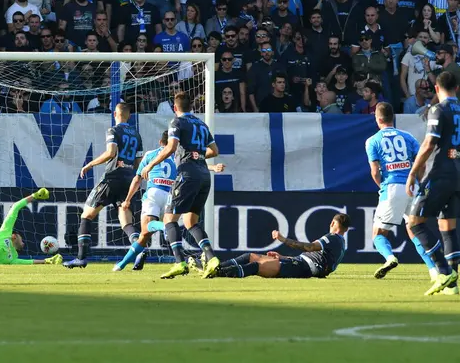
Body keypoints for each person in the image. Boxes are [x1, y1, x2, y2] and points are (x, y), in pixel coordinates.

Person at [114, 131, 225, 271]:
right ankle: (121, 264)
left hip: (154, 193)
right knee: (143, 236)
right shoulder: (177, 156)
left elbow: (137, 179)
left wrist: (128, 200)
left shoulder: (150, 155)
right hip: (170, 196)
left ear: (161, 142)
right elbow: (191, 165)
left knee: (147, 228)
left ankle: (163, 228)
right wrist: (213, 168)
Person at [140, 92, 221, 279]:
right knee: (190, 221)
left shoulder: (176, 122)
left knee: (169, 219)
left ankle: (179, 262)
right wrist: (197, 155)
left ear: (175, 108)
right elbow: (214, 151)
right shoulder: (202, 124)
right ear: (191, 107)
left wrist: (151, 164)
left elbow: (171, 147)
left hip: (187, 175)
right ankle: (212, 258)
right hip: (203, 175)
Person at [64, 103, 143, 268]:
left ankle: (81, 258)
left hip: (111, 178)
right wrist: (131, 175)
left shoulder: (113, 131)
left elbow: (111, 153)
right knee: (125, 221)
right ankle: (139, 250)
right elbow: (139, 162)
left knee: (86, 215)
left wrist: (90, 164)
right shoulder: (137, 135)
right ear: (128, 115)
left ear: (115, 114)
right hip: (128, 179)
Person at [365, 103, 438, 281]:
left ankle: (390, 258)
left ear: (377, 118)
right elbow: (422, 163)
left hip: (391, 187)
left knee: (378, 235)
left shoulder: (372, 140)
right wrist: (417, 181)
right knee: (415, 230)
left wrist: (382, 185)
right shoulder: (408, 137)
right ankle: (434, 270)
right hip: (412, 187)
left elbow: (375, 171)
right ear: (393, 117)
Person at [405, 71, 460, 296]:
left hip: (440, 173)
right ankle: (453, 285)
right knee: (447, 227)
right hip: (457, 174)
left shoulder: (439, 109)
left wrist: (413, 172)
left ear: (437, 89)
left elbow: (429, 144)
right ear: (456, 88)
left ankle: (443, 271)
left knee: (414, 221)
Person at [206, 213, 350, 279]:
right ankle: (217, 267)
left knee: (257, 266)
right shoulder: (341, 243)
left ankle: (218, 273)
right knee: (250, 257)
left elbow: (310, 247)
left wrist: (283, 239)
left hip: (303, 268)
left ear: (332, 223)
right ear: (346, 229)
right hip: (300, 263)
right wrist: (284, 257)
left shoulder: (332, 238)